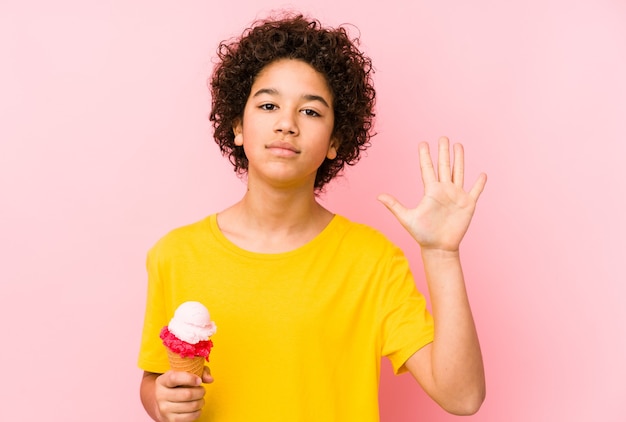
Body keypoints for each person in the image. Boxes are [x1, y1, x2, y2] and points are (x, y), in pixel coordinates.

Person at [138, 12, 486, 422]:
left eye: (311, 112)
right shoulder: (176, 254)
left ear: (336, 140)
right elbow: (154, 380)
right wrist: (161, 401)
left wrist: (442, 254)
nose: (286, 124)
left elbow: (462, 398)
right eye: (268, 105)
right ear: (237, 125)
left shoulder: (372, 261)